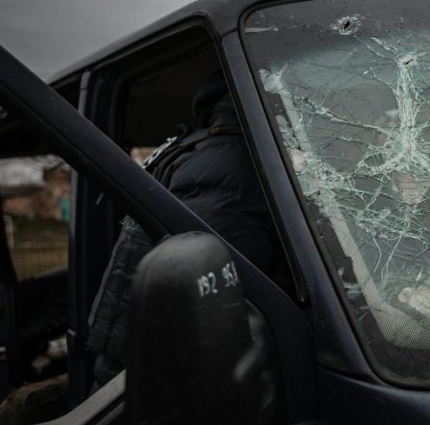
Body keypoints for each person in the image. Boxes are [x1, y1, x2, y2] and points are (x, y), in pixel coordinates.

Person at [86, 71, 283, 390]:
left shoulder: (202, 149)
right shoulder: (234, 165)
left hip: (138, 366)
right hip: (150, 387)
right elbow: (223, 306)